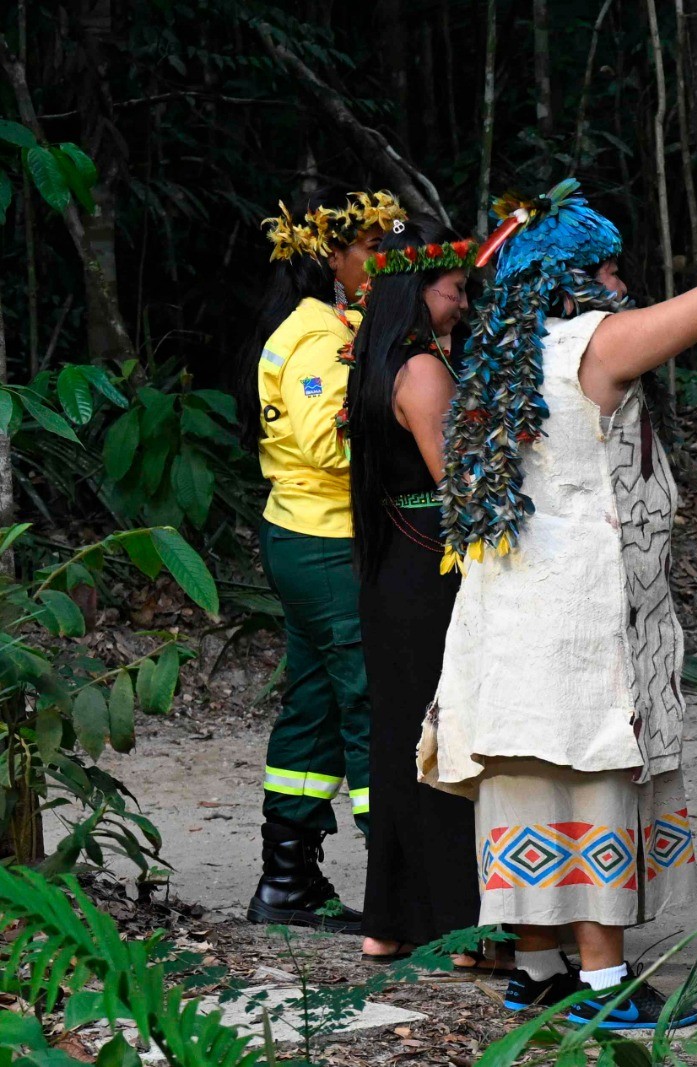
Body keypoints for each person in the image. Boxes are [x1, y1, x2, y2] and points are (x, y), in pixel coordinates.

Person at [421, 176, 697, 1026]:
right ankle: (604, 984)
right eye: (610, 270)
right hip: (575, 618)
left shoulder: (506, 351)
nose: (621, 285)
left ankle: (538, 966)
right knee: (590, 776)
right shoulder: (589, 344)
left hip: (512, 617)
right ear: (574, 276)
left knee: (530, 781)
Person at [240, 189, 406, 932]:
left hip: (308, 536)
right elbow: (326, 440)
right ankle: (402, 890)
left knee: (313, 705)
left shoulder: (328, 323)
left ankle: (287, 881)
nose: (380, 258)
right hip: (324, 539)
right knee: (369, 697)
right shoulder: (314, 335)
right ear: (329, 254)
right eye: (368, 246)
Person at [345, 219, 499, 970]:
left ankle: (391, 921)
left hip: (389, 567)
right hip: (427, 563)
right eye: (455, 289)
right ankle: (461, 931)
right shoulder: (426, 370)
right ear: (420, 287)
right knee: (443, 739)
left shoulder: (377, 359)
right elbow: (459, 487)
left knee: (400, 737)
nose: (464, 303)